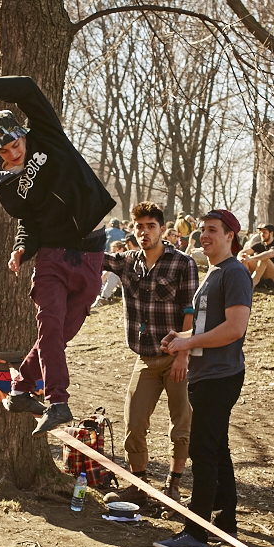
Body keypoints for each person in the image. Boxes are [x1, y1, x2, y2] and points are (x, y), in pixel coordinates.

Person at [0, 75, 114, 435]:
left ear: (23, 135)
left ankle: (20, 390)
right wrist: (23, 247)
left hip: (90, 251)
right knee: (49, 324)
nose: (14, 152)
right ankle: (58, 401)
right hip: (52, 253)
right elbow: (29, 221)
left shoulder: (47, 135)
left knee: (62, 333)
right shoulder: (4, 184)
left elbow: (27, 89)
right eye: (5, 150)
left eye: (16, 143)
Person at [153, 210, 252, 547]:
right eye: (201, 230)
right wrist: (179, 337)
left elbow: (234, 329)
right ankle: (226, 524)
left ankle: (195, 534)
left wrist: (189, 342)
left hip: (220, 376)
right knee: (217, 447)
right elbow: (206, 328)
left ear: (230, 236)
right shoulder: (215, 272)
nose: (204, 235)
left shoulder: (235, 272)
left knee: (203, 451)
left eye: (212, 230)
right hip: (206, 374)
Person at [100, 202, 199, 505]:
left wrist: (183, 354)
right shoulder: (128, 262)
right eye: (139, 227)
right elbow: (93, 258)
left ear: (162, 229)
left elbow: (190, 311)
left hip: (176, 356)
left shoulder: (182, 263)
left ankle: (173, 485)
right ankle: (139, 485)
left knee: (181, 424)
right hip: (144, 357)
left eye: (150, 226)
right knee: (134, 421)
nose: (144, 232)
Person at [239, 223, 274, 289]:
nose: (261, 234)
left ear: (271, 233)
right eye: (260, 232)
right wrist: (241, 258)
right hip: (262, 273)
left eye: (264, 232)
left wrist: (251, 258)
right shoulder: (260, 244)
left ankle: (251, 284)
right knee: (245, 258)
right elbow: (243, 252)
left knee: (264, 258)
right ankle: (243, 282)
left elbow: (269, 254)